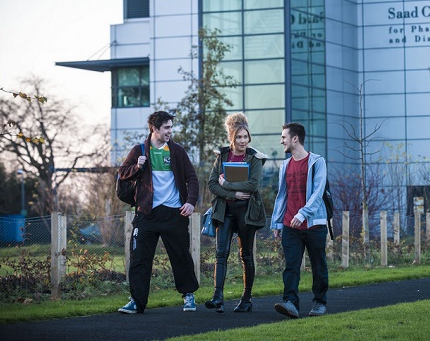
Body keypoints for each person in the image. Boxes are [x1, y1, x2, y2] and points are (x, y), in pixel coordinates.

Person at [117, 111, 200, 314]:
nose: (170, 131)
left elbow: (193, 179)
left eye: (171, 127)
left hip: (175, 214)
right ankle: (137, 301)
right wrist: (137, 166)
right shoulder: (139, 150)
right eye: (166, 128)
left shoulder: (178, 151)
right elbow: (122, 174)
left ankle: (188, 296)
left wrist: (190, 202)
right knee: (139, 259)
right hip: (147, 214)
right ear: (154, 128)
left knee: (181, 257)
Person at [206, 112, 268, 313]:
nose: (242, 141)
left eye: (245, 137)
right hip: (225, 210)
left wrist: (228, 184)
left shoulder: (255, 158)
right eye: (238, 137)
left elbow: (253, 184)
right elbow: (213, 183)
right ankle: (218, 297)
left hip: (246, 212)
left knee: (246, 255)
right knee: (220, 253)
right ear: (231, 137)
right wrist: (232, 192)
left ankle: (247, 298)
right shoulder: (222, 155)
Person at [271, 122, 329, 319]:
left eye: (284, 138)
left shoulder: (317, 161)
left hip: (314, 225)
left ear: (295, 139)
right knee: (291, 266)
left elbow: (318, 193)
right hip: (290, 225)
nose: (281, 141)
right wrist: (277, 223)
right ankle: (291, 303)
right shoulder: (285, 165)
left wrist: (302, 214)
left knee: (318, 266)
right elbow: (282, 196)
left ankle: (320, 303)